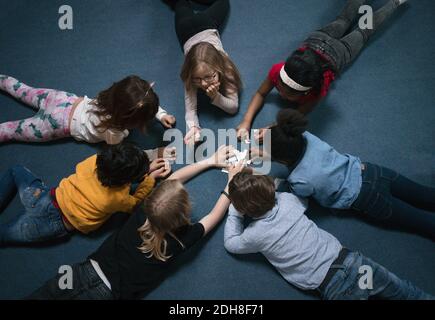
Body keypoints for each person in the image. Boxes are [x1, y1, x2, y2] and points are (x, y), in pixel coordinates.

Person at [27, 146, 243, 299]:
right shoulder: (178, 240)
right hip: (109, 294)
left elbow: (172, 180)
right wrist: (231, 182)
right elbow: (212, 217)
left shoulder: (142, 210)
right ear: (183, 216)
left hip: (85, 270)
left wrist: (209, 160)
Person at [224, 172, 434, 300]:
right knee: (402, 291)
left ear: (245, 210)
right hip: (353, 263)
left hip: (333, 288)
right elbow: (301, 201)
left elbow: (231, 244)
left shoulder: (254, 235)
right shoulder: (288, 201)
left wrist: (234, 211)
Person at [252, 109, 435, 240]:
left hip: (367, 198)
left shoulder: (299, 180)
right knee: (424, 194)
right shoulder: (307, 136)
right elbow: (286, 130)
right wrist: (270, 134)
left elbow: (296, 193)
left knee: (420, 221)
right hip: (373, 171)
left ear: (281, 161)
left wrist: (259, 167)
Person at [236, 0, 408, 140]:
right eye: (280, 88)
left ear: (305, 93)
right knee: (343, 19)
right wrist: (246, 121)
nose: (281, 94)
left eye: (288, 95)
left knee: (364, 29)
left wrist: (273, 128)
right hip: (319, 39)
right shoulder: (278, 71)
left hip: (341, 52)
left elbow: (297, 114)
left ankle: (394, 2)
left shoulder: (315, 92)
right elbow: (260, 94)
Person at [0, 142, 171, 246]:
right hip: (54, 224)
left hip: (43, 197)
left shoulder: (94, 160)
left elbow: (118, 171)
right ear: (127, 180)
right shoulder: (117, 198)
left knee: (16, 171)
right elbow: (135, 203)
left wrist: (143, 169)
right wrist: (149, 178)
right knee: (4, 234)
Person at [0, 74, 176, 158]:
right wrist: (156, 153)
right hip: (56, 124)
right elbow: (125, 155)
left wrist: (161, 115)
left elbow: (139, 101)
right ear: (130, 121)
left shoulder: (111, 96)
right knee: (11, 131)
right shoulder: (115, 133)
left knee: (22, 89)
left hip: (64, 99)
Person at [168, 0, 242, 144]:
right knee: (179, 3)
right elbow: (190, 110)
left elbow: (233, 107)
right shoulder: (190, 73)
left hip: (206, 23)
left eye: (209, 76)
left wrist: (216, 97)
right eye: (197, 79)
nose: (202, 83)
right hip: (185, 31)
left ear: (218, 69)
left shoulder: (227, 67)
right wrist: (194, 128)